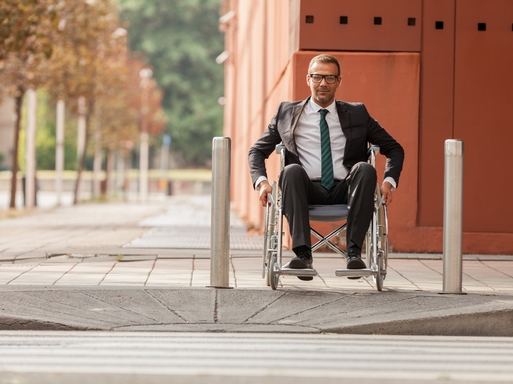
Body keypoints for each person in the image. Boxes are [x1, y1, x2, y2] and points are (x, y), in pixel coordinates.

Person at [248, 54, 404, 281]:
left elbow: (395, 148)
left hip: (347, 188)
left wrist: (389, 182)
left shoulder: (357, 113)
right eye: (318, 77)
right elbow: (257, 151)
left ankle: (353, 254)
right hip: (304, 190)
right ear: (308, 79)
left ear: (339, 81)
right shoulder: (286, 113)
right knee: (290, 171)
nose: (323, 83)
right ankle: (302, 255)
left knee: (365, 168)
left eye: (330, 78)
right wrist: (262, 183)